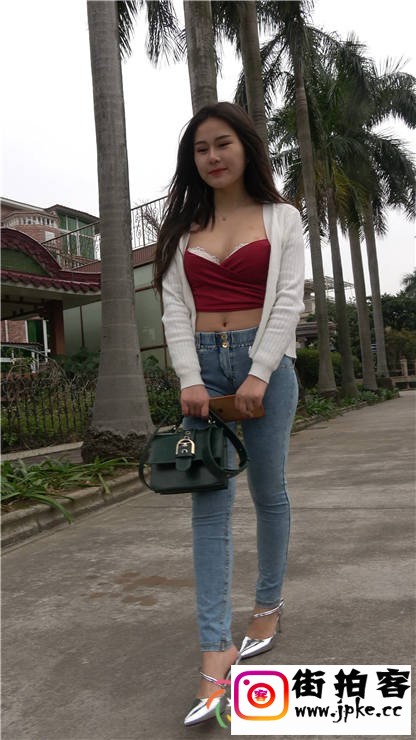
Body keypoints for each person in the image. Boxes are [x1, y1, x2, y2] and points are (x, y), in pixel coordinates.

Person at [154, 101, 305, 726]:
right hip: (204, 372)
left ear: (245, 148)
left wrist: (259, 372)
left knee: (269, 492)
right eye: (200, 149)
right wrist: (189, 377)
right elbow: (173, 308)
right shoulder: (182, 228)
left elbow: (288, 299)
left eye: (222, 144)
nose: (212, 157)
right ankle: (215, 650)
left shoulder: (282, 217)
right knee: (208, 507)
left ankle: (267, 606)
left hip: (263, 363)